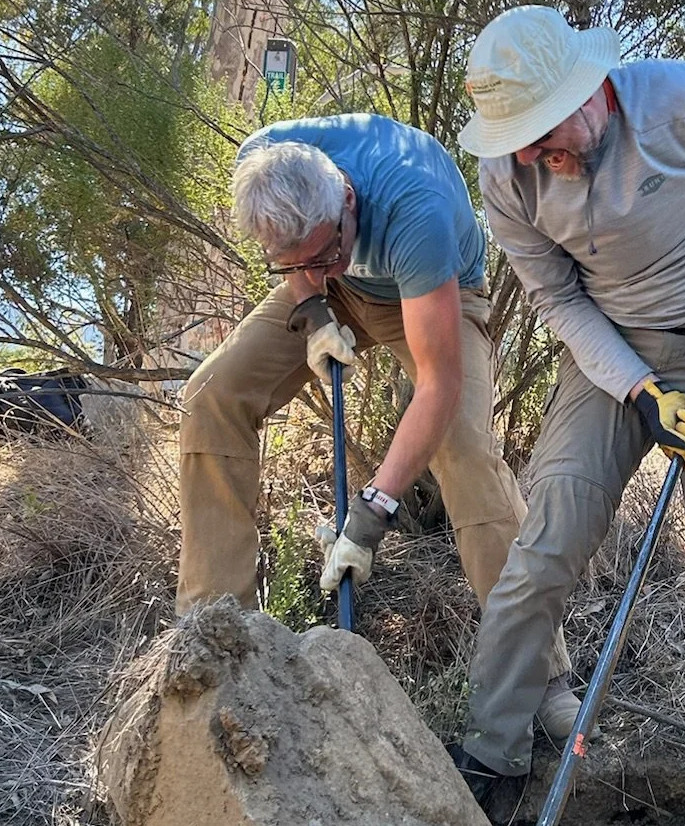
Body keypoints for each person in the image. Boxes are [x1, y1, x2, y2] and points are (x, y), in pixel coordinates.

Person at [450, 5, 685, 826]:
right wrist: (641, 389)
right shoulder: (509, 176)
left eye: (542, 132)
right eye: (515, 140)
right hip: (610, 363)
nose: (532, 154)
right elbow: (558, 301)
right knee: (546, 539)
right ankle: (494, 757)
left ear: (591, 90)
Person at [176, 114, 529, 629]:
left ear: (346, 196)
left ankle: (537, 672)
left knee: (464, 447)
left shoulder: (414, 206)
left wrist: (371, 512)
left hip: (434, 296)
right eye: (296, 263)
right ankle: (215, 634)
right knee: (211, 396)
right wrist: (313, 308)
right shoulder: (263, 164)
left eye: (326, 251)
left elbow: (439, 384)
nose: (314, 271)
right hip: (343, 298)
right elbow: (305, 264)